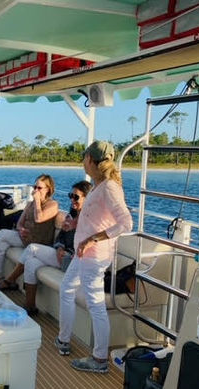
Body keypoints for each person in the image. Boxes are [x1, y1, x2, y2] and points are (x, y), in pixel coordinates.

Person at [55, 141, 133, 374]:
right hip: (84, 253)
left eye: (85, 157)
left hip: (94, 256)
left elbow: (126, 223)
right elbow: (98, 217)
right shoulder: (99, 186)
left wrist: (92, 239)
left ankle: (99, 359)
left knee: (96, 305)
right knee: (66, 289)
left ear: (91, 160)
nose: (83, 161)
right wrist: (78, 225)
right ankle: (63, 340)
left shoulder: (109, 187)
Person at [0, 180, 92, 316]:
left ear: (87, 198)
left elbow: (88, 244)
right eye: (70, 195)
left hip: (73, 262)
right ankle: (30, 306)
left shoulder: (90, 220)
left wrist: (69, 252)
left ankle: (10, 280)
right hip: (61, 256)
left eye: (76, 197)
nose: (72, 199)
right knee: (31, 262)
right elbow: (61, 237)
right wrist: (60, 247)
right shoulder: (71, 215)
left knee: (32, 249)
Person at [0, 174, 59, 282]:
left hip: (39, 243)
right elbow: (19, 223)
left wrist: (37, 201)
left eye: (39, 188)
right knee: (2, 244)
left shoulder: (52, 205)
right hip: (25, 238)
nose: (36, 190)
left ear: (48, 190)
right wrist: (21, 229)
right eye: (34, 187)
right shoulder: (29, 204)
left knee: (3, 233)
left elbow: (39, 219)